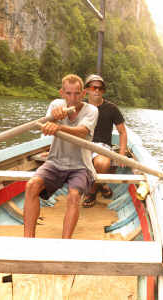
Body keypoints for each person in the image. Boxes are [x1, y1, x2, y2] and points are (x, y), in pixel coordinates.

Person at [23, 74, 98, 239]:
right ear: (62, 93)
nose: (73, 98)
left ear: (83, 94)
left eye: (77, 93)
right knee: (32, 186)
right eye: (69, 93)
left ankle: (65, 244)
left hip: (81, 166)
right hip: (55, 162)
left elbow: (82, 132)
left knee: (74, 195)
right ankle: (28, 240)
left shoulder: (91, 110)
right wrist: (53, 121)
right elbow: (46, 126)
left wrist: (58, 128)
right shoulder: (56, 105)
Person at [82, 74, 128, 207]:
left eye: (100, 88)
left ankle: (92, 191)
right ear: (87, 90)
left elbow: (122, 132)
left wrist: (122, 154)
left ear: (103, 91)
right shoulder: (80, 107)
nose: (97, 90)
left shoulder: (111, 108)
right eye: (93, 87)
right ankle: (103, 184)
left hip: (102, 146)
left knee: (102, 163)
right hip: (82, 144)